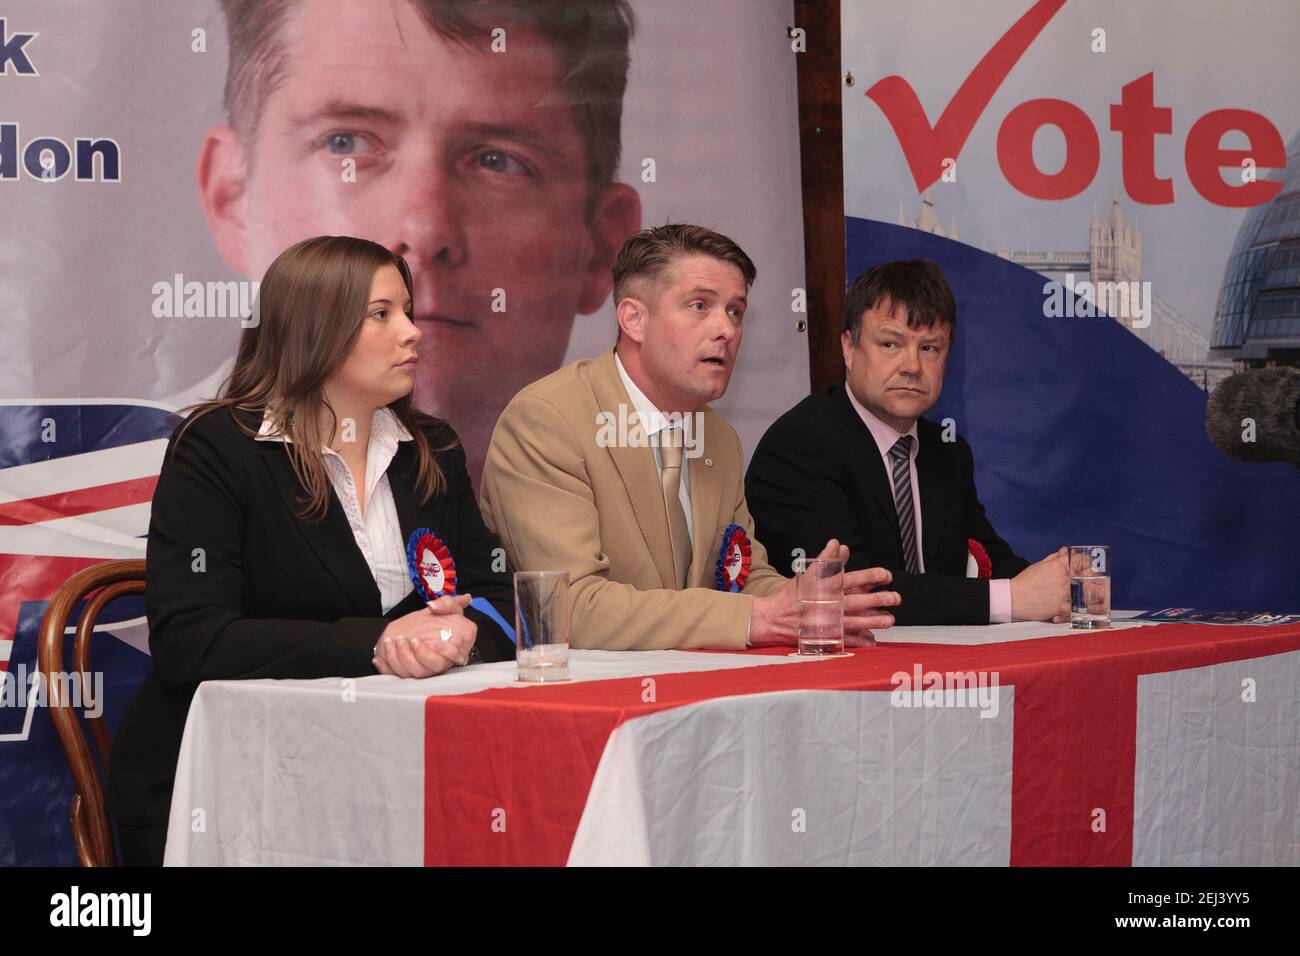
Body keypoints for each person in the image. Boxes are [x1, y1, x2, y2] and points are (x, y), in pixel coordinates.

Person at [108, 236, 516, 866]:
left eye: (408, 310)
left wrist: (458, 633)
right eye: (382, 315)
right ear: (312, 328)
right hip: (234, 782)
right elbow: (192, 638)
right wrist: (378, 644)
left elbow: (495, 597)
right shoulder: (220, 446)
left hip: (395, 770)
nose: (413, 332)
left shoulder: (430, 446)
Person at [199, 0, 643, 487]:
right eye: (345, 143)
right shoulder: (116, 525)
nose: (427, 229)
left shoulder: (654, 513)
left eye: (497, 161)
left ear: (601, 248)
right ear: (233, 199)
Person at [480, 224, 900, 650]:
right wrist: (758, 618)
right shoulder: (548, 420)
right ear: (633, 319)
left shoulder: (717, 437)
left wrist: (809, 602)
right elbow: (568, 608)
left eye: (736, 311)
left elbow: (741, 574)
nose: (727, 330)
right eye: (700, 305)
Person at [746, 259, 1070, 626]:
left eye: (930, 348)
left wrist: (1056, 585)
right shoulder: (800, 445)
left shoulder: (947, 450)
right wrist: (1014, 598)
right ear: (849, 348)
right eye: (890, 344)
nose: (912, 366)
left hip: (937, 668)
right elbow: (854, 591)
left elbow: (989, 561)